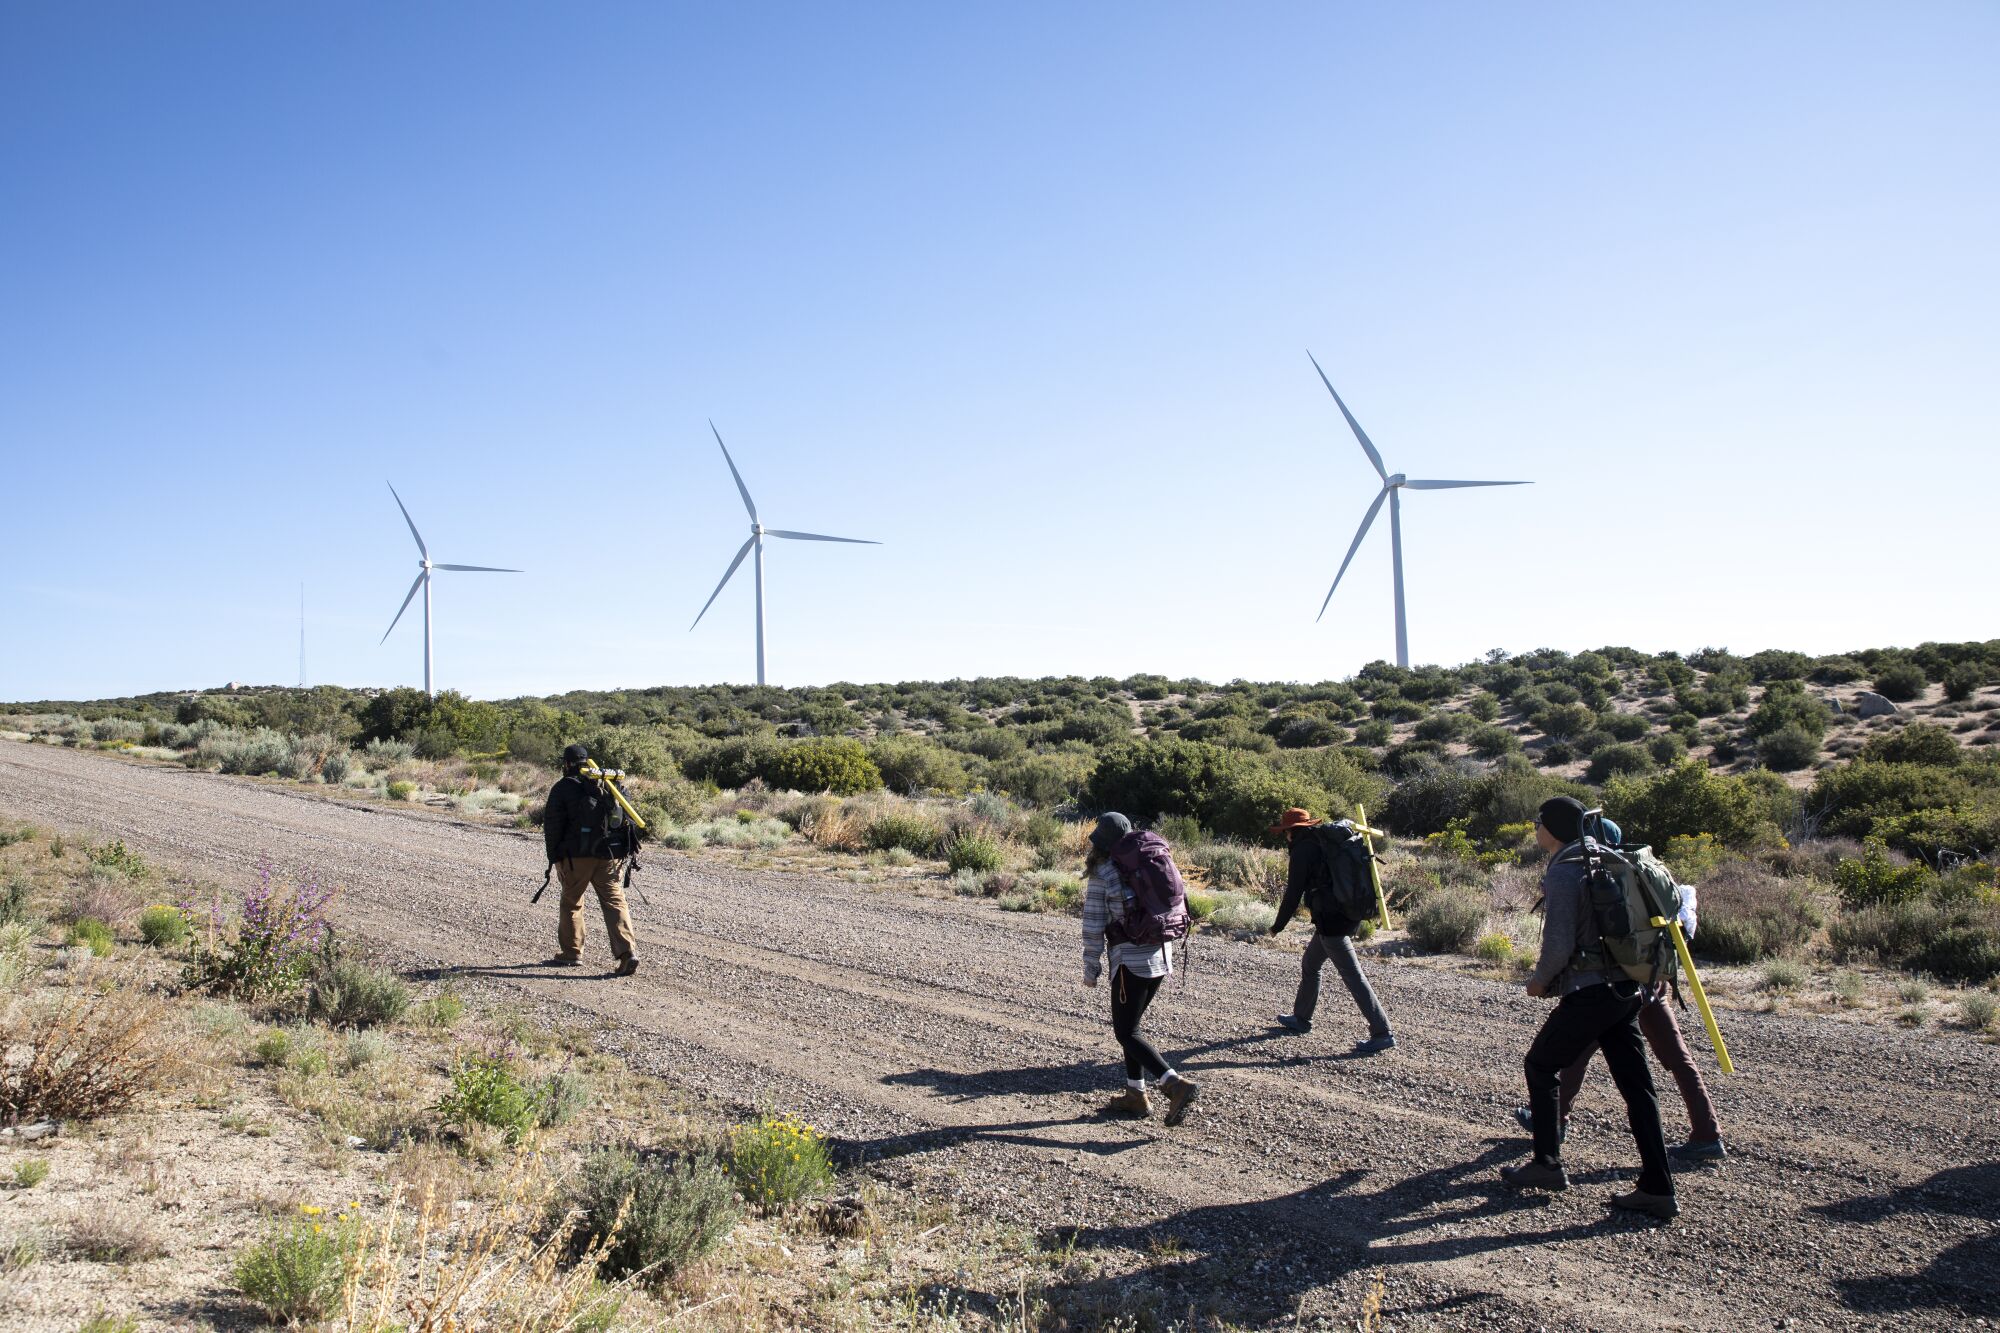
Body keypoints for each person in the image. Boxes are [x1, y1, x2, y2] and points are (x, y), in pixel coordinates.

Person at [1500, 796, 1677, 1219]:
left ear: (1553, 828)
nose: (1534, 828)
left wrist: (1539, 982)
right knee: (1638, 1088)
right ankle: (1658, 1186)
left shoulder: (1564, 870)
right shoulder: (1603, 857)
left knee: (1540, 1066)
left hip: (1592, 991)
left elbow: (1558, 943)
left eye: (1537, 821)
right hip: (1626, 989)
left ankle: (1547, 1164)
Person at [1512, 817, 1727, 1163]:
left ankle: (1553, 1122)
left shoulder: (1599, 878)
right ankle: (1707, 1132)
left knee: (1575, 1051)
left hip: (1611, 985)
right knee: (1676, 1057)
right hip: (1649, 978)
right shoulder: (1639, 873)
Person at [1080, 813, 1199, 1125]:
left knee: (1127, 1031)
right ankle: (1136, 1095)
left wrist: (1090, 967)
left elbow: (1093, 926)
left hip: (1129, 961)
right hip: (1161, 956)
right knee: (1132, 1029)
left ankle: (1174, 1084)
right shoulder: (1149, 861)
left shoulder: (1103, 873)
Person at [1267, 807, 1396, 1054]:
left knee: (1353, 976)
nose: (1285, 837)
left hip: (1332, 922)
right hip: (1345, 915)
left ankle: (1382, 1032)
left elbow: (1293, 893)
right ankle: (1301, 1018)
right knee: (1311, 963)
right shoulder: (1321, 841)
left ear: (1291, 832)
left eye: (1285, 832)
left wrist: (1277, 926)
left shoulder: (1303, 850)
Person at [541, 743, 640, 976]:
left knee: (572, 902)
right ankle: (627, 953)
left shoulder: (563, 787)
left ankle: (572, 953)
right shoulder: (610, 785)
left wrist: (554, 858)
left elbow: (553, 826)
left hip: (576, 857)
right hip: (609, 856)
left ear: (566, 764)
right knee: (615, 903)